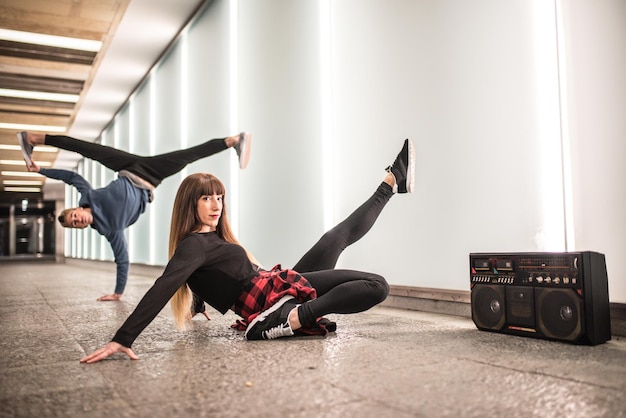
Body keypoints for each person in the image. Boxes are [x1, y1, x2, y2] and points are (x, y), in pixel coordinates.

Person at [80, 138, 415, 363]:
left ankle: (391, 180)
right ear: (190, 204)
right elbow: (165, 284)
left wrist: (197, 303)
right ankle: (294, 318)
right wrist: (124, 338)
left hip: (273, 284)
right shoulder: (193, 245)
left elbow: (204, 276)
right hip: (269, 304)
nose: (215, 205)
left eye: (219, 197)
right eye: (206, 198)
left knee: (333, 238)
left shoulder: (211, 239)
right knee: (377, 286)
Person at [17, 131, 251, 302]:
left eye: (74, 216)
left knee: (86, 148)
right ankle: (232, 142)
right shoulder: (111, 230)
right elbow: (123, 259)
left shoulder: (88, 195)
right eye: (74, 224)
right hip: (151, 176)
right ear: (79, 228)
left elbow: (71, 177)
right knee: (186, 157)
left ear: (76, 209)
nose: (77, 220)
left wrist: (42, 170)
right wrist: (118, 293)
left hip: (129, 167)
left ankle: (33, 139)